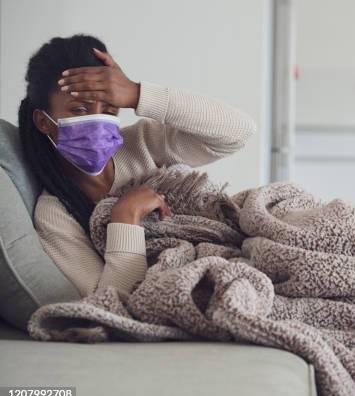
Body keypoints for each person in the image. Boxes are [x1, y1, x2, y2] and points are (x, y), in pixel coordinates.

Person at [18, 34, 256, 299]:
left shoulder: (143, 143)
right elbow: (108, 301)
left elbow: (239, 132)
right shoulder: (55, 215)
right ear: (43, 121)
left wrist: (137, 93)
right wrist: (125, 217)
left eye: (108, 109)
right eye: (79, 109)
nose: (96, 121)